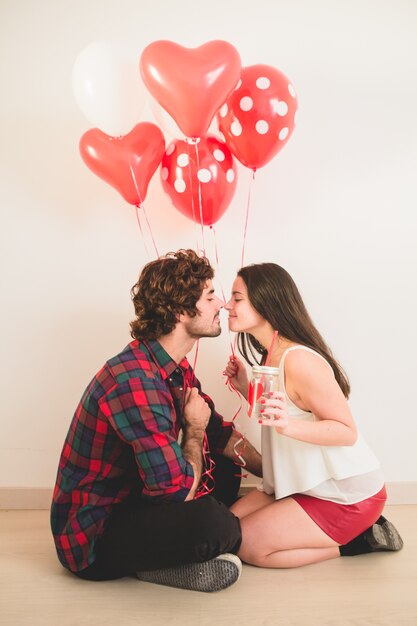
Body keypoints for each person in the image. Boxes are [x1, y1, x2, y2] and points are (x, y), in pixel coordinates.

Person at [50, 249, 262, 592]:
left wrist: (274, 472)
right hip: (93, 539)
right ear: (181, 309)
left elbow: (218, 431)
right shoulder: (136, 382)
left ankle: (158, 559)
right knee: (217, 524)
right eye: (210, 296)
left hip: (136, 498)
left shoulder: (172, 366)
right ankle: (151, 564)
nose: (221, 304)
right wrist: (192, 430)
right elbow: (177, 491)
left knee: (227, 470)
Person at [224, 262, 403, 568]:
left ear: (265, 301)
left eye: (237, 298)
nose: (228, 305)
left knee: (250, 547)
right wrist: (244, 386)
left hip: (346, 496)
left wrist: (287, 426)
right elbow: (282, 412)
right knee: (225, 525)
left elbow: (346, 431)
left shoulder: (299, 360)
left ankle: (359, 540)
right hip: (304, 484)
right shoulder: (272, 354)